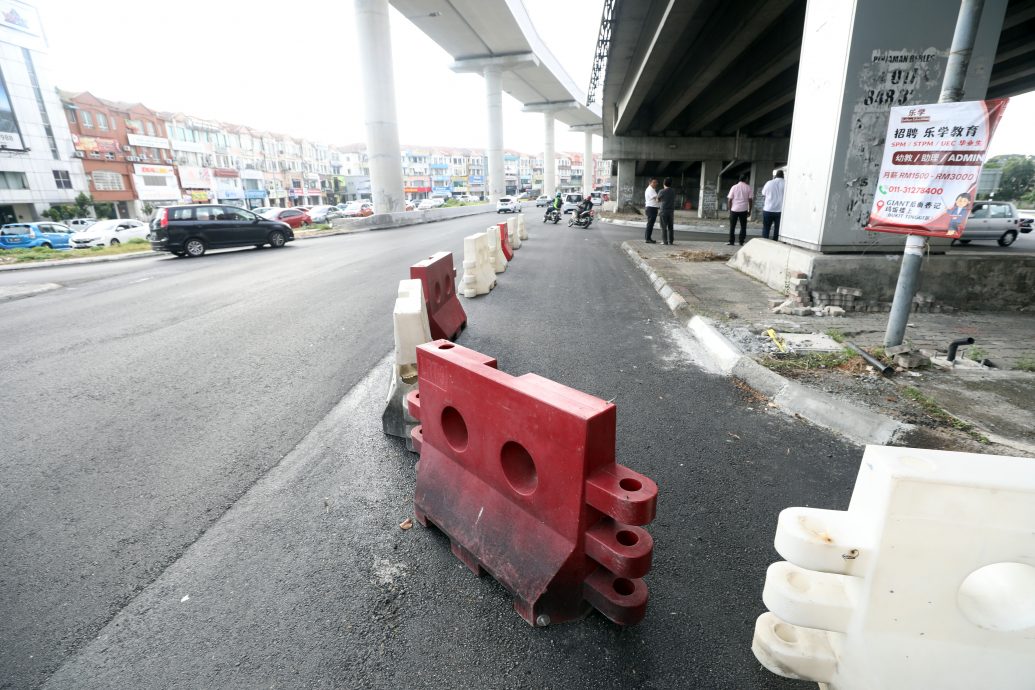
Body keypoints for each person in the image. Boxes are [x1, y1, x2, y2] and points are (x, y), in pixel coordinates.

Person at [727, 173, 752, 246]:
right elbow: (750, 200)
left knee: (732, 226)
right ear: (746, 179)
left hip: (734, 210)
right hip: (743, 210)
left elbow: (729, 200)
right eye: (747, 178)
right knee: (743, 226)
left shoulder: (734, 187)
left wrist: (730, 210)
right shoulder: (748, 187)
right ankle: (741, 241)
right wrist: (749, 210)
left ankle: (731, 242)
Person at [761, 170, 785, 241]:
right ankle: (775, 243)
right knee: (777, 229)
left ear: (775, 176)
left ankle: (765, 243)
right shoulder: (786, 183)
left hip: (768, 209)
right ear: (783, 176)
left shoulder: (769, 183)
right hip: (780, 211)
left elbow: (763, 193)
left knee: (766, 228)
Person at [657, 177, 676, 244]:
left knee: (663, 227)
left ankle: (665, 241)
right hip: (671, 211)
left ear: (664, 183)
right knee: (671, 227)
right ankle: (671, 241)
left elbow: (658, 200)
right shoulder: (673, 191)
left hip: (663, 211)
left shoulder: (661, 191)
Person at [644, 177, 659, 243]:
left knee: (650, 224)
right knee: (650, 224)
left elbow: (657, 199)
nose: (655, 184)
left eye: (656, 182)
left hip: (652, 208)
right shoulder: (650, 189)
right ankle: (648, 239)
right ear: (650, 183)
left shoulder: (652, 189)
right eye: (654, 182)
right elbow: (657, 198)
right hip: (651, 208)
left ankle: (648, 238)